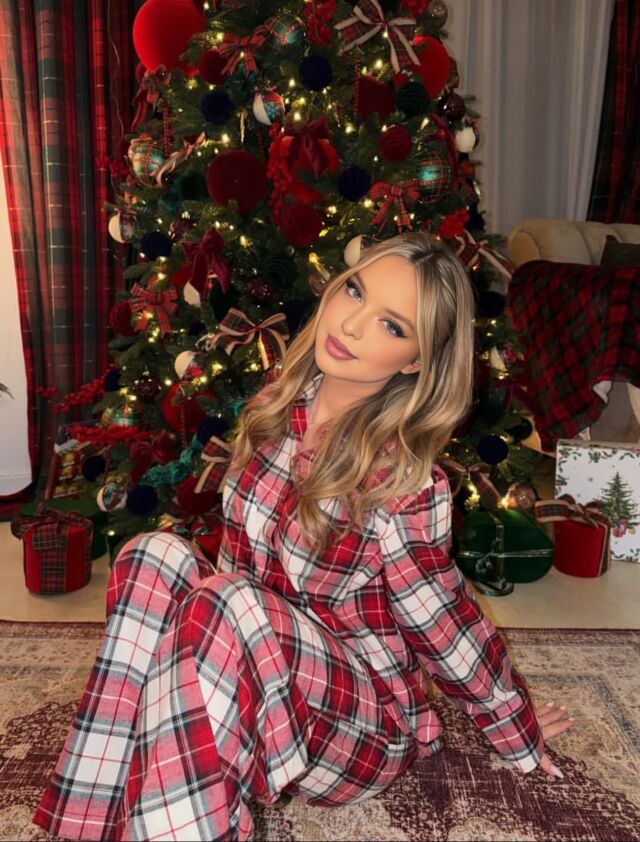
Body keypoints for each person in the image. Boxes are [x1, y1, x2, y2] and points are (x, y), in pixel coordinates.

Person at [33, 232, 573, 841]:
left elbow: (445, 624)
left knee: (228, 601)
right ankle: (90, 821)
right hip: (261, 685)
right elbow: (236, 563)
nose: (352, 324)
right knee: (150, 556)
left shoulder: (405, 482)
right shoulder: (276, 407)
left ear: (416, 361)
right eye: (355, 292)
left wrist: (515, 725)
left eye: (392, 326)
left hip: (361, 724)